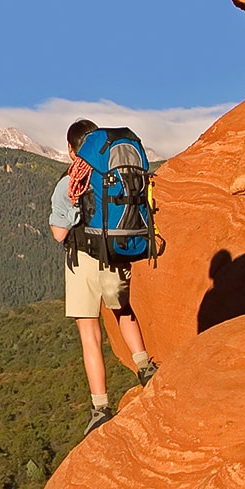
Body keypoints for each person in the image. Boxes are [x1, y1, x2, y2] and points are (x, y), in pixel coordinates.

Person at [49, 119, 158, 437]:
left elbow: (58, 234)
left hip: (83, 259)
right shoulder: (117, 172)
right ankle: (144, 367)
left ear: (72, 150)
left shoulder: (71, 180)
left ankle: (100, 407)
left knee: (90, 333)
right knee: (123, 311)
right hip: (118, 252)